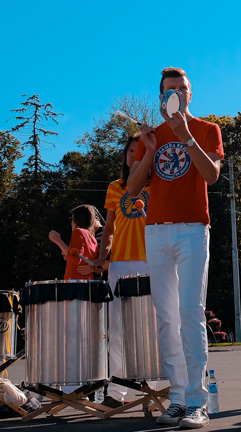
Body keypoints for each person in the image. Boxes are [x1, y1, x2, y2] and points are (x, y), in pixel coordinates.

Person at [128, 67, 224, 428]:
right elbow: (134, 189)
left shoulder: (207, 129)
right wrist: (150, 151)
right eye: (170, 90)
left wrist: (185, 137)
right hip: (156, 231)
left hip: (193, 230)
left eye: (182, 90)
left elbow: (211, 175)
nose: (176, 95)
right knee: (166, 317)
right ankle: (178, 398)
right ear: (160, 97)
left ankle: (198, 401)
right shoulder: (150, 135)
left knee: (190, 312)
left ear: (190, 94)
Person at [93, 135, 149, 407]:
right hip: (120, 263)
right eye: (129, 151)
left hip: (153, 261)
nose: (132, 155)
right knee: (116, 328)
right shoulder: (115, 187)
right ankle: (116, 393)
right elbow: (110, 229)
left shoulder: (157, 182)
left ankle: (158, 389)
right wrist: (101, 257)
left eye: (138, 150)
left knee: (155, 325)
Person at [49, 205, 102, 281]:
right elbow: (81, 259)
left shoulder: (78, 232)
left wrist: (58, 241)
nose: (71, 223)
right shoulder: (92, 237)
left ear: (77, 220)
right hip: (87, 281)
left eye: (72, 219)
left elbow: (76, 257)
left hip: (75, 283)